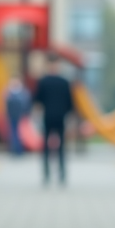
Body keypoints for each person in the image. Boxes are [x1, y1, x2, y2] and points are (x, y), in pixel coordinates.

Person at [33, 53, 74, 185]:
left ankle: (58, 174)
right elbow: (70, 104)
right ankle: (48, 173)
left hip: (54, 117)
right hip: (53, 117)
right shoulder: (63, 82)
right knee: (48, 146)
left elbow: (37, 101)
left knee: (58, 146)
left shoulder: (46, 81)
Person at [4, 76, 30, 155]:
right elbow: (7, 105)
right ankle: (14, 149)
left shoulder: (23, 92)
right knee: (13, 133)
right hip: (12, 115)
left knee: (20, 133)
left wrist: (25, 114)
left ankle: (20, 149)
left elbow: (27, 104)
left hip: (21, 116)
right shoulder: (9, 92)